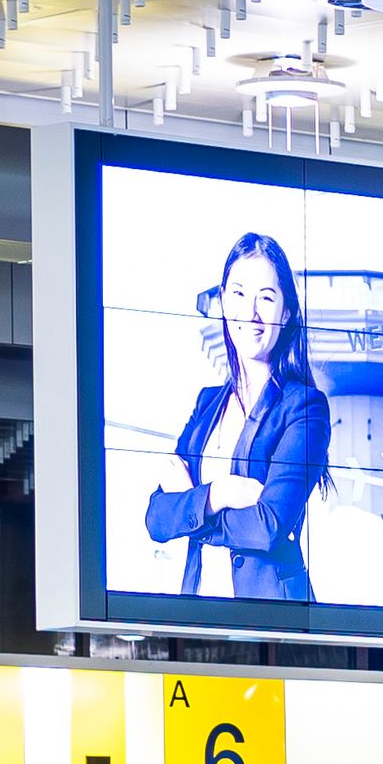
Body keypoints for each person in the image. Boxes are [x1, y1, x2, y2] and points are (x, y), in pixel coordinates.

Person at [144, 232, 329, 600]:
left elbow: (268, 527)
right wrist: (220, 493)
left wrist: (193, 506)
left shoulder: (305, 408)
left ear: (287, 312)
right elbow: (157, 517)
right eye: (240, 294)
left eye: (267, 297)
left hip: (275, 626)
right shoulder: (207, 404)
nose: (251, 312)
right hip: (199, 616)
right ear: (224, 302)